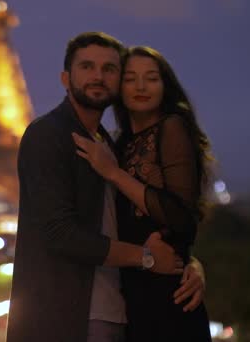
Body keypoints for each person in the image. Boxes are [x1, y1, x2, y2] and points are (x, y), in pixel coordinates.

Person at [6, 32, 205, 342]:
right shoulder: (47, 135)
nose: (98, 76)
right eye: (86, 66)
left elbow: (151, 219)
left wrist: (187, 261)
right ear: (65, 78)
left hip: (123, 313)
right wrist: (147, 258)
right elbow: (60, 234)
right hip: (70, 318)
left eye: (109, 69)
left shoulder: (109, 145)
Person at [72, 45, 213, 341]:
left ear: (165, 86)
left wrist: (113, 173)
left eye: (151, 78)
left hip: (168, 297)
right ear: (119, 87)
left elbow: (180, 216)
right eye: (130, 78)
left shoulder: (172, 128)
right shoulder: (119, 143)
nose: (140, 86)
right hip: (132, 298)